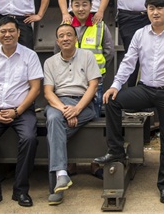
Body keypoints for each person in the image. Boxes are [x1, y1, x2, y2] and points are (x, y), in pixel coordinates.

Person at [94, 0, 164, 205]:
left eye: (159, 8)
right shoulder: (140, 34)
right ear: (147, 11)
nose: (155, 13)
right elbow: (129, 62)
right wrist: (115, 86)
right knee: (112, 101)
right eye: (151, 9)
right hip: (146, 90)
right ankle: (116, 151)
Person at [0, 17, 43, 210]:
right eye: (3, 31)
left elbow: (35, 88)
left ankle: (21, 190)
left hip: (21, 111)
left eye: (11, 31)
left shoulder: (30, 56)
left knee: (29, 139)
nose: (7, 35)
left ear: (18, 33)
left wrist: (17, 111)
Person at [43, 23, 100, 206]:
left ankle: (57, 186)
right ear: (57, 41)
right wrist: (66, 111)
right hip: (58, 103)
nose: (65, 38)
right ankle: (61, 175)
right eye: (61, 36)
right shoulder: (50, 62)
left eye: (69, 34)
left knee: (54, 132)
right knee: (53, 118)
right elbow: (48, 93)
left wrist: (77, 109)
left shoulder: (87, 56)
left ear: (76, 38)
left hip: (84, 104)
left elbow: (93, 86)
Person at [69, 0, 114, 117]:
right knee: (73, 115)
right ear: (71, 6)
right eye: (77, 5)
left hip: (95, 82)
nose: (81, 9)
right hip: (71, 82)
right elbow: (57, 53)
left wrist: (98, 70)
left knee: (94, 116)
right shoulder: (65, 26)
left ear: (91, 5)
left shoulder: (100, 26)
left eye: (85, 4)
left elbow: (109, 52)